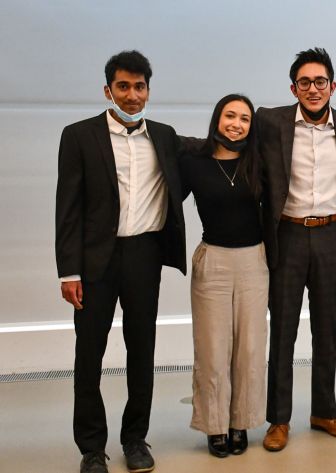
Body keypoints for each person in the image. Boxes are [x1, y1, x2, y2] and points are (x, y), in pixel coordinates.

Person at [55, 50, 185, 473]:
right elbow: (68, 209)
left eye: (140, 86)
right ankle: (92, 448)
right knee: (88, 355)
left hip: (144, 256)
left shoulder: (164, 136)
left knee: (141, 350)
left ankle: (135, 439)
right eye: (124, 87)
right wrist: (68, 271)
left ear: (149, 90)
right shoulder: (78, 135)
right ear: (108, 89)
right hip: (94, 263)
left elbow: (216, 146)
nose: (132, 95)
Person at [258, 47, 336, 452]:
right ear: (294, 88)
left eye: (321, 82)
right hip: (287, 234)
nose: (314, 89)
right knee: (283, 329)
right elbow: (229, 127)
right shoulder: (271, 122)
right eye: (305, 82)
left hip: (332, 235)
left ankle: (324, 412)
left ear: (333, 86)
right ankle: (278, 420)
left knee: (327, 328)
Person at [179, 94, 268, 458]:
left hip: (253, 261)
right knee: (213, 350)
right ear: (217, 119)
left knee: (249, 348)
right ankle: (214, 426)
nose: (236, 123)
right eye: (230, 116)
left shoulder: (259, 163)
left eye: (244, 118)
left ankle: (240, 422)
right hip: (212, 260)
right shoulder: (196, 163)